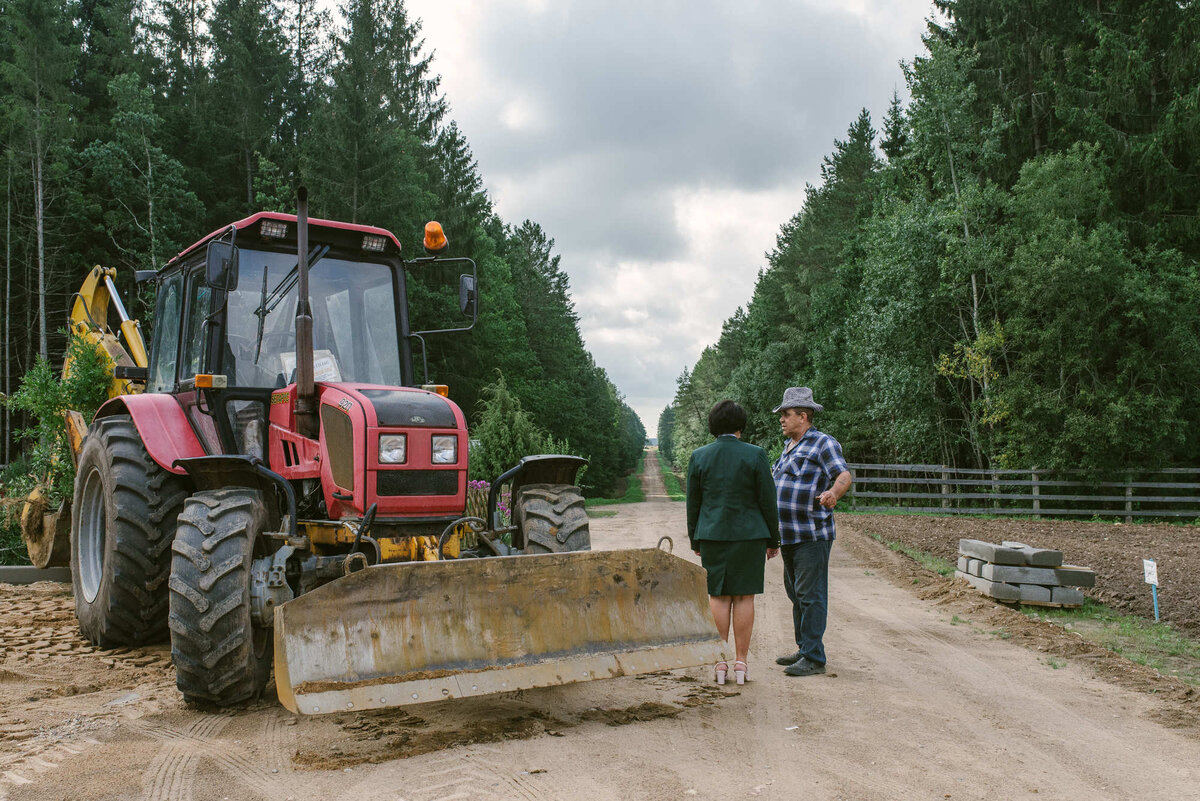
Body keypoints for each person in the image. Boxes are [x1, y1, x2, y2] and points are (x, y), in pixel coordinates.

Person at [686, 400, 780, 685]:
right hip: (750, 535)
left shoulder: (700, 456)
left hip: (712, 534)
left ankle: (719, 663)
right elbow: (767, 500)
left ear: (713, 426)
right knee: (744, 596)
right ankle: (741, 663)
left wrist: (695, 539)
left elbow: (694, 503)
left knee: (718, 596)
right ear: (741, 426)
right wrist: (773, 538)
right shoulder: (756, 455)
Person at [770, 387, 852, 677]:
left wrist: (833, 493)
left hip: (812, 534)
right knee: (796, 594)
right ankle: (805, 648)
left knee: (810, 594)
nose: (781, 419)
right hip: (790, 535)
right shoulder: (789, 447)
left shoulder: (822, 443)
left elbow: (843, 474)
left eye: (786, 414)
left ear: (803, 416)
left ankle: (814, 657)